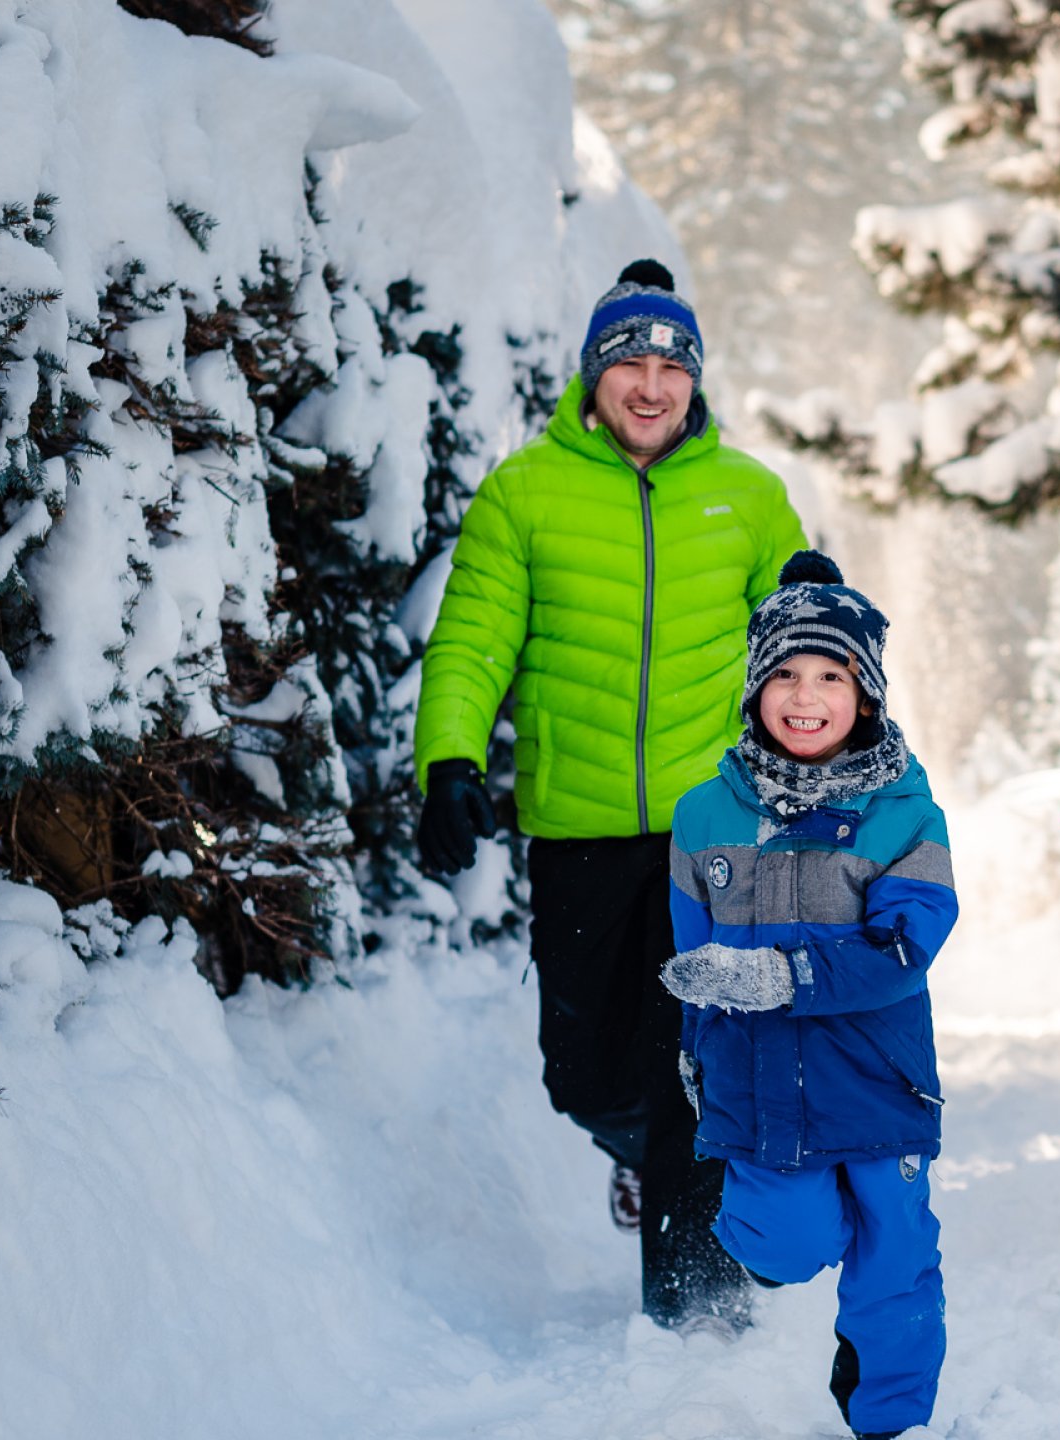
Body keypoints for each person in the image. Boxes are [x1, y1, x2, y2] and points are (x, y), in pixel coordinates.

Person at [411, 259, 808, 1329]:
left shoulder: (750, 496)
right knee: (582, 1075)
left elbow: (807, 648)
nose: (651, 386)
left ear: (696, 383)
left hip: (714, 830)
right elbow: (472, 640)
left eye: (673, 369)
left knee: (694, 1066)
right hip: (576, 828)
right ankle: (640, 1153)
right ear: (594, 376)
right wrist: (449, 761)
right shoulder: (525, 492)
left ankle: (698, 1316)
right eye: (631, 364)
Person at [661, 551, 957, 1440]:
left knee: (894, 1256)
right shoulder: (702, 815)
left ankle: (889, 1417)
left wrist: (785, 976)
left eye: (832, 676)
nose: (806, 696)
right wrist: (695, 1053)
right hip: (759, 1083)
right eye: (786, 673)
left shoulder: (906, 815)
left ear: (864, 696)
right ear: (756, 688)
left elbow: (904, 950)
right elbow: (694, 958)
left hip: (878, 1079)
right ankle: (787, 1244)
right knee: (785, 1245)